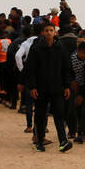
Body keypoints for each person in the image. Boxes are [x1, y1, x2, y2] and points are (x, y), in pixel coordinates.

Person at [26, 21, 73, 152]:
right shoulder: (36, 48)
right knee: (40, 116)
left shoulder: (61, 47)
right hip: (40, 88)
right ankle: (39, 141)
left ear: (55, 32)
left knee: (59, 115)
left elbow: (66, 68)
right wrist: (32, 87)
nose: (48, 32)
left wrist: (67, 86)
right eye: (46, 30)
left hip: (57, 88)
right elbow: (30, 69)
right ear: (42, 32)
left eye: (51, 30)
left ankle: (63, 141)